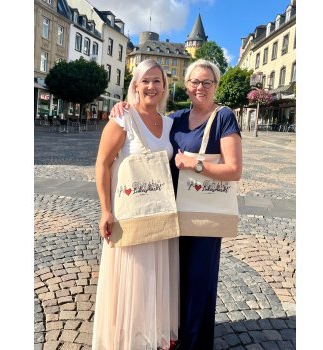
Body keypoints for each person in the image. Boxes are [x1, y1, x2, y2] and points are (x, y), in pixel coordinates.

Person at [110, 59, 243, 349]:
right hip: (171, 214)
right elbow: (149, 129)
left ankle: (195, 344)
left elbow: (234, 170)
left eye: (207, 82)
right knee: (173, 283)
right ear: (186, 85)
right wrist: (123, 107)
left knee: (198, 285)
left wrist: (193, 164)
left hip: (204, 216)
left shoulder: (224, 117)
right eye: (195, 81)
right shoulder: (178, 118)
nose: (200, 87)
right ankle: (173, 338)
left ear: (215, 85)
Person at [92, 59, 179, 350]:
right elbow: (103, 165)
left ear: (165, 87)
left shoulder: (169, 124)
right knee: (130, 279)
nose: (152, 86)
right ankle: (126, 339)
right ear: (136, 85)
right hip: (129, 213)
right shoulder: (122, 118)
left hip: (158, 213)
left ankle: (148, 333)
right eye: (146, 80)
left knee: (152, 277)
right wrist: (106, 210)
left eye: (157, 81)